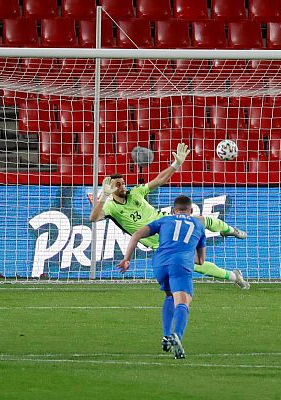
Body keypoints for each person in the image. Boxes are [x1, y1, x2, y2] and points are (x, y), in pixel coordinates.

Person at [89, 143, 250, 291]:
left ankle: (230, 230)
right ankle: (234, 276)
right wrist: (103, 197)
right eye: (118, 184)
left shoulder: (136, 192)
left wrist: (176, 164)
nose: (123, 186)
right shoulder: (110, 206)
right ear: (110, 187)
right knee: (194, 263)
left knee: (200, 220)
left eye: (123, 182)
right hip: (159, 241)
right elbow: (94, 218)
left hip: (168, 223)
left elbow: (159, 180)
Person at [118, 195, 206, 359]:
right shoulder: (199, 225)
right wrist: (186, 253)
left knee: (169, 295)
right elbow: (200, 260)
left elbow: (136, 234)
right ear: (192, 211)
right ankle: (177, 336)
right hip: (180, 264)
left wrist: (126, 259)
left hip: (159, 263)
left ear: (173, 210)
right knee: (183, 301)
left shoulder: (164, 220)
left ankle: (166, 336)